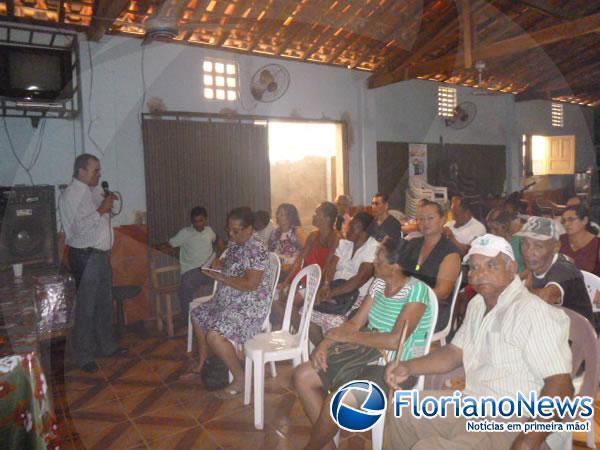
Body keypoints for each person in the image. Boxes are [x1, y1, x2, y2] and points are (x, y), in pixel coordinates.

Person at [385, 234, 573, 450]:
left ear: (512, 268)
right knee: (404, 411)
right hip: (473, 404)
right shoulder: (477, 304)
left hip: (514, 420)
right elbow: (455, 352)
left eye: (490, 265)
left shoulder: (534, 313)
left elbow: (561, 385)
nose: (479, 273)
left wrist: (529, 441)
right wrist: (409, 367)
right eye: (474, 267)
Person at [294, 238, 434, 450]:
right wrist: (324, 345)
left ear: (395, 266)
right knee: (302, 376)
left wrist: (348, 337)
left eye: (379, 256)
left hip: (397, 367)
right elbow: (354, 323)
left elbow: (395, 340)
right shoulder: (378, 284)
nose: (374, 260)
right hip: (363, 353)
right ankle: (327, 447)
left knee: (337, 402)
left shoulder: (417, 291)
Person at [187, 207, 273, 397]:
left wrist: (223, 278)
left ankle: (240, 378)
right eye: (229, 230)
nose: (231, 235)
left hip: (249, 305)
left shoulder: (256, 249)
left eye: (236, 231)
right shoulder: (236, 243)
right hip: (231, 298)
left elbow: (251, 284)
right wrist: (218, 266)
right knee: (197, 314)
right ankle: (202, 362)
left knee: (214, 336)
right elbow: (229, 265)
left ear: (249, 229)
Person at [59, 154, 126, 373]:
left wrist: (109, 202)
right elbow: (81, 228)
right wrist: (102, 209)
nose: (99, 174)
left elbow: (109, 214)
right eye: (95, 170)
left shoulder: (92, 192)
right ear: (82, 171)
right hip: (85, 256)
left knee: (104, 304)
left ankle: (107, 346)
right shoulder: (71, 195)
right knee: (86, 308)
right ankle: (84, 356)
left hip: (101, 256)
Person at [309, 212, 379, 341]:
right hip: (333, 291)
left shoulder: (373, 247)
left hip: (357, 296)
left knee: (334, 321)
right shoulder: (344, 244)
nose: (348, 228)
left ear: (364, 232)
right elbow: (331, 267)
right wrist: (325, 286)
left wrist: (331, 293)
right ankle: (322, 351)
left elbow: (359, 279)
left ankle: (327, 354)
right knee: (306, 313)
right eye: (349, 225)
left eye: (353, 227)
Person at [272, 202, 339, 328]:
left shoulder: (336, 238)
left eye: (316, 213)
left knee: (289, 301)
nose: (313, 216)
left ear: (327, 218)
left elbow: (329, 267)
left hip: (317, 282)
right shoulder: (313, 236)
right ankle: (287, 329)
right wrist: (287, 282)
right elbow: (299, 260)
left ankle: (296, 332)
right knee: (276, 299)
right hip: (303, 279)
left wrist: (315, 286)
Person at [518, 216, 594, 323]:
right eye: (525, 244)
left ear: (555, 247)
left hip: (577, 334)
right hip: (551, 325)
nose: (529, 252)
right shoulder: (538, 265)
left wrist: (522, 288)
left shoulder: (564, 269)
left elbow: (545, 298)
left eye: (538, 246)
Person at [405, 200, 461, 331]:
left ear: (442, 220)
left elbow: (443, 292)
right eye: (421, 219)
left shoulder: (450, 252)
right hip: (406, 302)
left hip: (433, 308)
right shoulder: (413, 244)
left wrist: (407, 298)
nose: (425, 223)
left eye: (430, 218)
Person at [168, 206, 216, 314]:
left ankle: (216, 316)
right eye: (195, 221)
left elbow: (216, 240)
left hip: (209, 270)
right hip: (192, 271)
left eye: (201, 221)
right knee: (185, 289)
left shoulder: (209, 231)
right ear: (191, 221)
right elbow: (171, 244)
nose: (198, 224)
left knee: (226, 281)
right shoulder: (185, 232)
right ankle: (188, 319)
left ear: (206, 219)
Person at [267, 203, 305, 281]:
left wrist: (293, 265)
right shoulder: (274, 232)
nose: (277, 216)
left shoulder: (297, 231)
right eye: (277, 213)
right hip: (275, 267)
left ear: (290, 217)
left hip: (292, 269)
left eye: (281, 214)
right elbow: (269, 250)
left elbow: (306, 252)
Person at [560, 204, 600, 275]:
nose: (566, 224)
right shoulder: (560, 240)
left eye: (571, 219)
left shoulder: (597, 244)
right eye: (563, 220)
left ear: (584, 220)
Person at [486, 207, 526, 273]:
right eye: (490, 229)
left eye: (496, 229)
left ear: (506, 226)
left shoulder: (521, 240)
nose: (492, 233)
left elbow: (529, 270)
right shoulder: (493, 241)